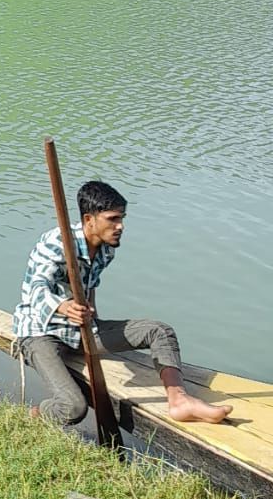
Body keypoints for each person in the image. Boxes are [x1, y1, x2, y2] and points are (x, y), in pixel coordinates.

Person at [12, 179, 231, 428]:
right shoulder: (57, 242)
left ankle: (180, 401)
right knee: (72, 407)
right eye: (113, 219)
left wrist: (92, 319)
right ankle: (32, 416)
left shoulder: (106, 249)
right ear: (89, 220)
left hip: (82, 329)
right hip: (41, 333)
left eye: (122, 218)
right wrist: (64, 307)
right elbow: (36, 288)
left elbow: (90, 285)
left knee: (160, 332)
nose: (120, 226)